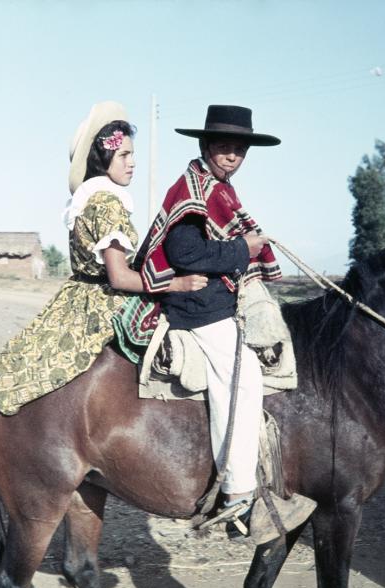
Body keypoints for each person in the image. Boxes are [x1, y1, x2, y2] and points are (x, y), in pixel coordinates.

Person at [0, 101, 207, 415]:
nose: (132, 163)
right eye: (124, 155)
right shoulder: (108, 202)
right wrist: (177, 284)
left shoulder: (87, 198)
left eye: (132, 154)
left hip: (76, 295)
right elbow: (119, 277)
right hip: (105, 300)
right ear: (103, 158)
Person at [134, 105, 288, 534]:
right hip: (195, 306)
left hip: (214, 299)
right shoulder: (192, 191)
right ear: (206, 147)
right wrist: (246, 249)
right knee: (242, 377)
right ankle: (237, 494)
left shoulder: (217, 190)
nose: (232, 156)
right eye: (224, 148)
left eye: (239, 150)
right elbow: (184, 255)